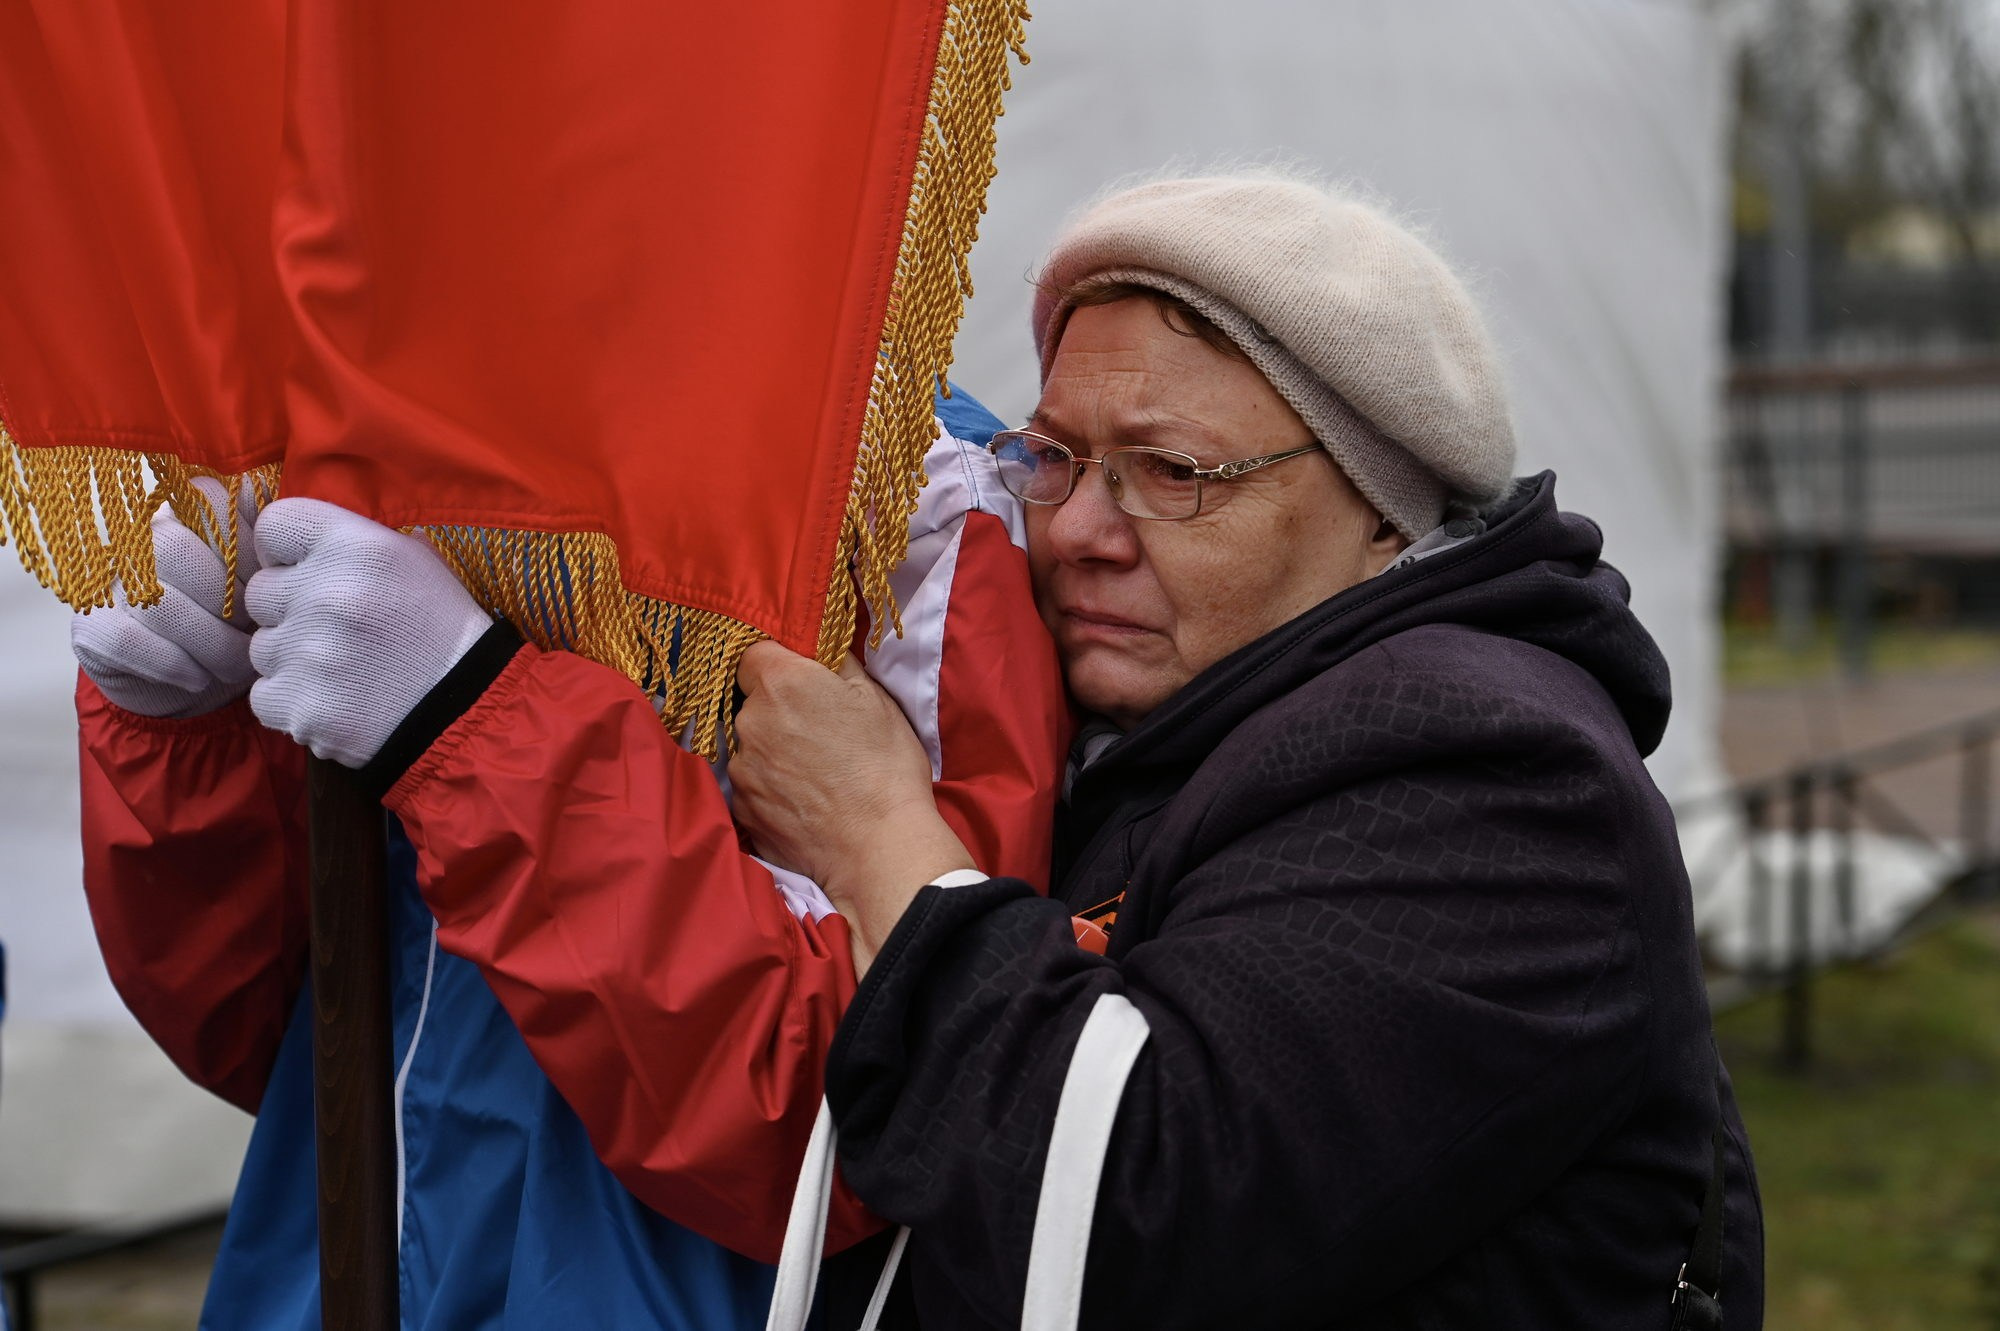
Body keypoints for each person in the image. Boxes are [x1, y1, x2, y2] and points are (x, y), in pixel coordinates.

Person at [727, 172, 1767, 1329]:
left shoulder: (1493, 771)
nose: (1073, 530)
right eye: (1055, 456)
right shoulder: (1173, 715)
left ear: (1381, 506)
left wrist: (872, 829)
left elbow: (1131, 1211)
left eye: (1173, 473)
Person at [67, 385, 1065, 1327]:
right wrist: (182, 734)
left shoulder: (900, 480)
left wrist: (466, 723)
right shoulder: (366, 420)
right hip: (322, 1271)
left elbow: (857, 1115)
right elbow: (259, 1028)